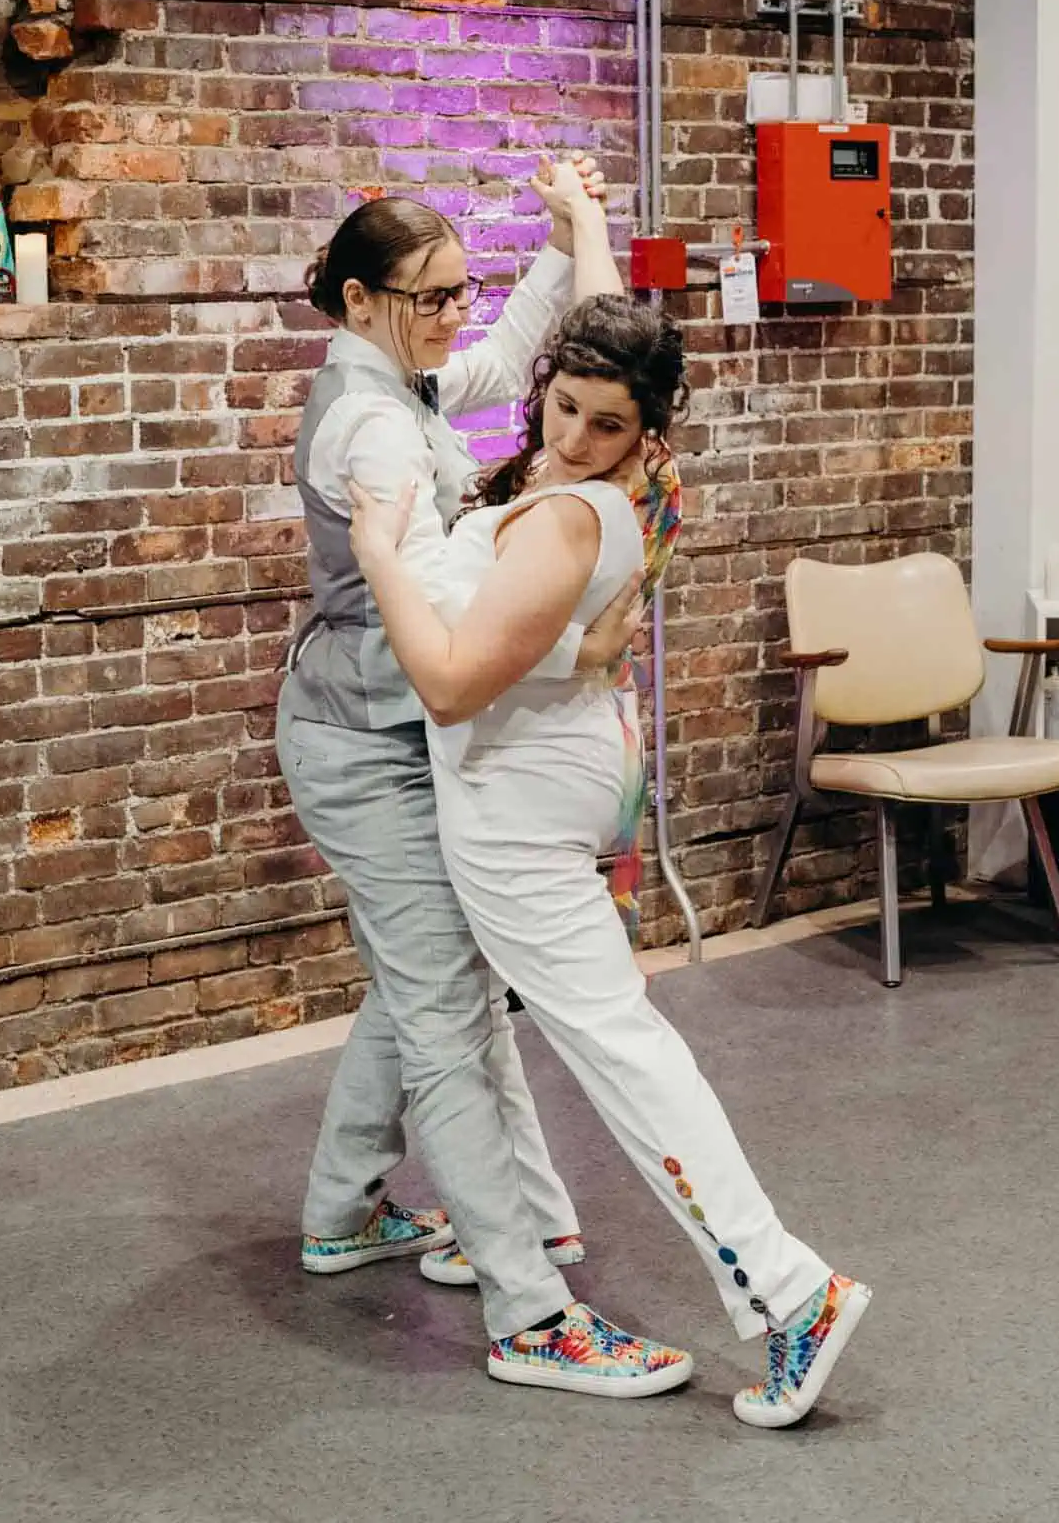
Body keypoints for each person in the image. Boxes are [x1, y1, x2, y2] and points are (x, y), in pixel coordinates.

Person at [346, 200, 873, 1427]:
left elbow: (449, 677)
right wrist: (583, 220)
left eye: (607, 424)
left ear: (649, 433)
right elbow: (601, 334)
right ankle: (525, 1226)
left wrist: (382, 546)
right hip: (550, 775)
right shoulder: (606, 477)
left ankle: (792, 1293)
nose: (576, 436)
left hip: (518, 806)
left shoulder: (576, 512)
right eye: (565, 406)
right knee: (510, 1029)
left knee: (620, 1051)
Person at [278, 157, 692, 1395]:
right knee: (453, 1013)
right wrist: (554, 635)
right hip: (364, 748)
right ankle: (528, 1313)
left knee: (422, 980)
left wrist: (574, 231)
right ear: (359, 301)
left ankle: (342, 1211)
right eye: (433, 295)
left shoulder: (397, 382)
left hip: (398, 736)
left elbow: (520, 359)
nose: (458, 313)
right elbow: (441, 622)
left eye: (463, 288)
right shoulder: (367, 429)